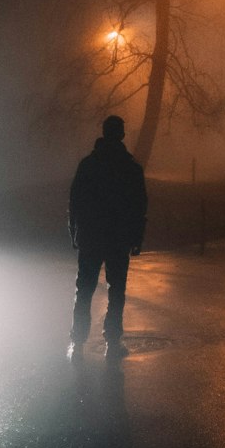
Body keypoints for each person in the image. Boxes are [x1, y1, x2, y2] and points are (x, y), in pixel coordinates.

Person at [68, 115, 147, 357]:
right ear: (121, 135)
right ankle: (112, 341)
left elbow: (75, 202)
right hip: (118, 237)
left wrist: (74, 232)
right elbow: (139, 205)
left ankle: (78, 340)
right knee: (116, 289)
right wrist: (137, 238)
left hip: (92, 236)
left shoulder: (88, 165)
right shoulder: (130, 168)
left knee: (85, 289)